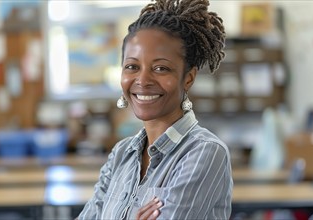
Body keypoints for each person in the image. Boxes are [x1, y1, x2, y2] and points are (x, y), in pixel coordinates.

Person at [77, 0, 233, 219]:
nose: (143, 80)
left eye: (161, 68)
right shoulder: (121, 154)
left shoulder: (204, 152)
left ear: (188, 78)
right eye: (132, 67)